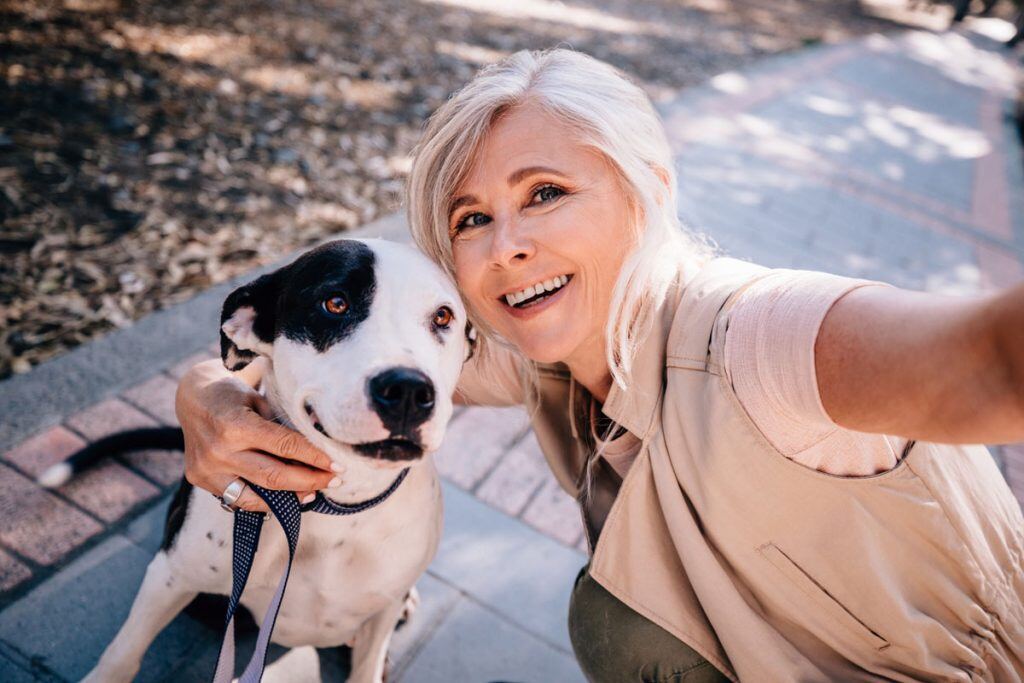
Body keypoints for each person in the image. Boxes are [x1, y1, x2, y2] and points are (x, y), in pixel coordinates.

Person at [176, 49, 1024, 681]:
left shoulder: (763, 334)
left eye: (546, 192)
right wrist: (205, 392)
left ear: (646, 187)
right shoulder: (533, 355)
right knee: (616, 618)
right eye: (471, 218)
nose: (508, 246)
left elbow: (997, 361)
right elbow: (316, 371)